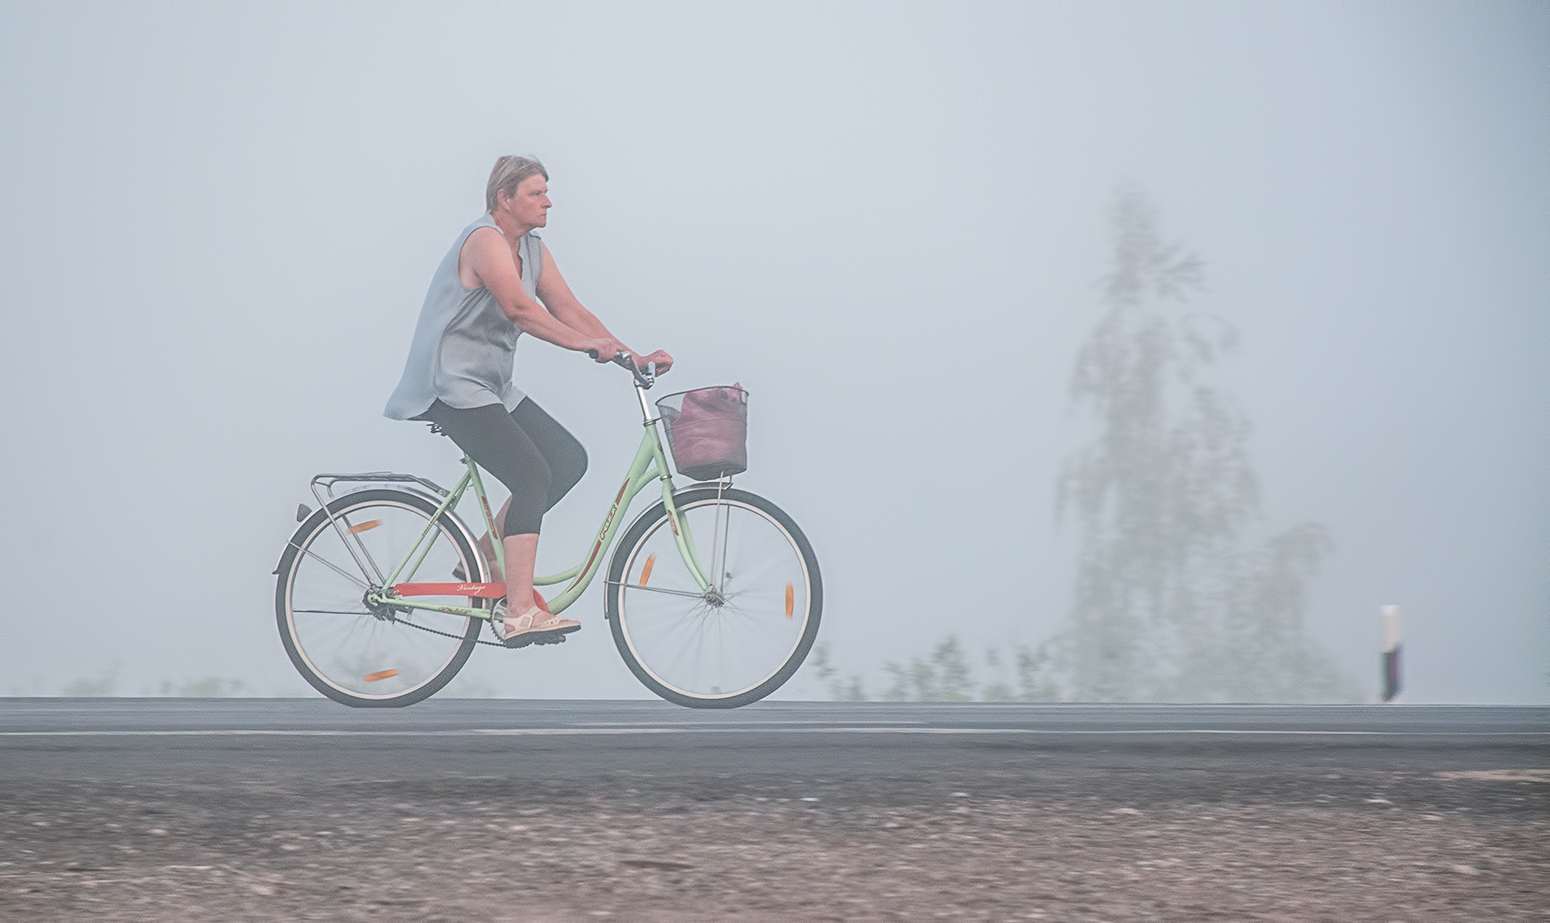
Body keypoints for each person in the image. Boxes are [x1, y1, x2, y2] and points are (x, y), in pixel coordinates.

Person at [384, 155, 673, 644]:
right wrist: (586, 347)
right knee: (531, 473)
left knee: (566, 461)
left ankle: (482, 553)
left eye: (547, 192)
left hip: (491, 386)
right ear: (505, 199)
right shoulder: (484, 241)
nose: (549, 201)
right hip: (450, 384)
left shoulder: (533, 251)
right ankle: (519, 611)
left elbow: (568, 309)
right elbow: (520, 309)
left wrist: (630, 354)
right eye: (537, 193)